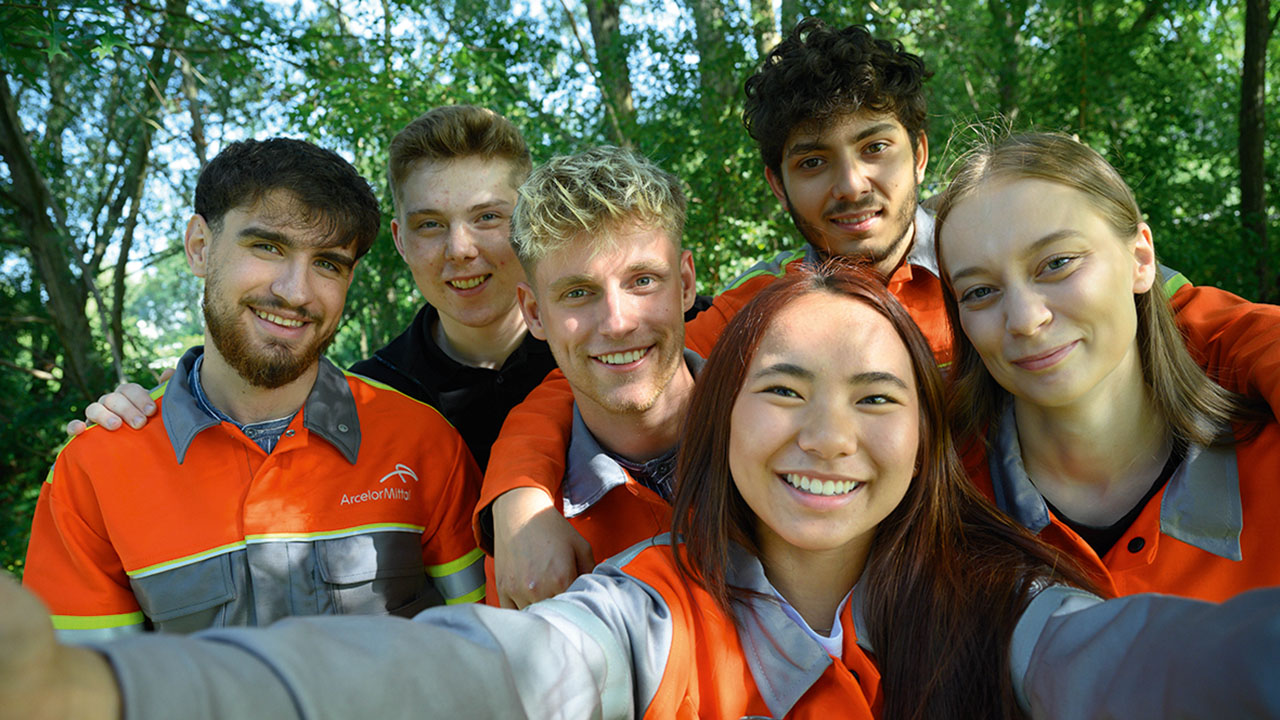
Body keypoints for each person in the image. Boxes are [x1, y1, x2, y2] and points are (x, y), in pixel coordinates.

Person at [5, 261, 1279, 720]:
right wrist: (104, 693)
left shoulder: (1005, 609)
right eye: (782, 387)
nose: (827, 434)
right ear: (721, 415)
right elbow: (465, 675)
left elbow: (1146, 668)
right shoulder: (640, 610)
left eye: (875, 396)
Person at [478, 18, 1280, 606]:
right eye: (813, 161)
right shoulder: (765, 307)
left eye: (875, 146)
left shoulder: (1001, 252)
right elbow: (622, 364)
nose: (851, 184)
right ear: (777, 184)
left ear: (919, 151)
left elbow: (1215, 326)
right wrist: (522, 498)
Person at [23, 138, 485, 641]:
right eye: (268, 246)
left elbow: (490, 649)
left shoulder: (421, 441)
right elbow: (80, 692)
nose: (295, 291)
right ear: (200, 247)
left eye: (327, 263)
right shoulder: (96, 467)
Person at [69, 105, 558, 470]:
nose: (461, 249)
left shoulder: (597, 343)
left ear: (529, 223)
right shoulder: (369, 401)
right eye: (430, 224)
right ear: (400, 241)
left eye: (488, 217)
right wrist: (140, 425)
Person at [933, 131, 1280, 602]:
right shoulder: (936, 500)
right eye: (979, 291)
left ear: (1141, 258)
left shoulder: (1266, 459)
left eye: (1057, 263)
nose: (1026, 320)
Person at [478, 146, 701, 598]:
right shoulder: (529, 546)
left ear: (686, 284)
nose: (618, 322)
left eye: (643, 281)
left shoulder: (784, 432)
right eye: (579, 292)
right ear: (534, 313)